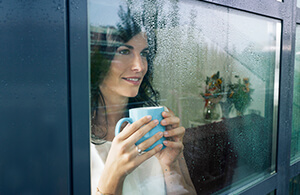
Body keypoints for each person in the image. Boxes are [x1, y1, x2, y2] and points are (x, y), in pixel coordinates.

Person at [90, 12, 196, 195]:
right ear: (99, 60)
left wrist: (171, 167)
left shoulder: (159, 121)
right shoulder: (71, 137)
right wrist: (114, 176)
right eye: (124, 51)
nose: (140, 66)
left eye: (144, 54)